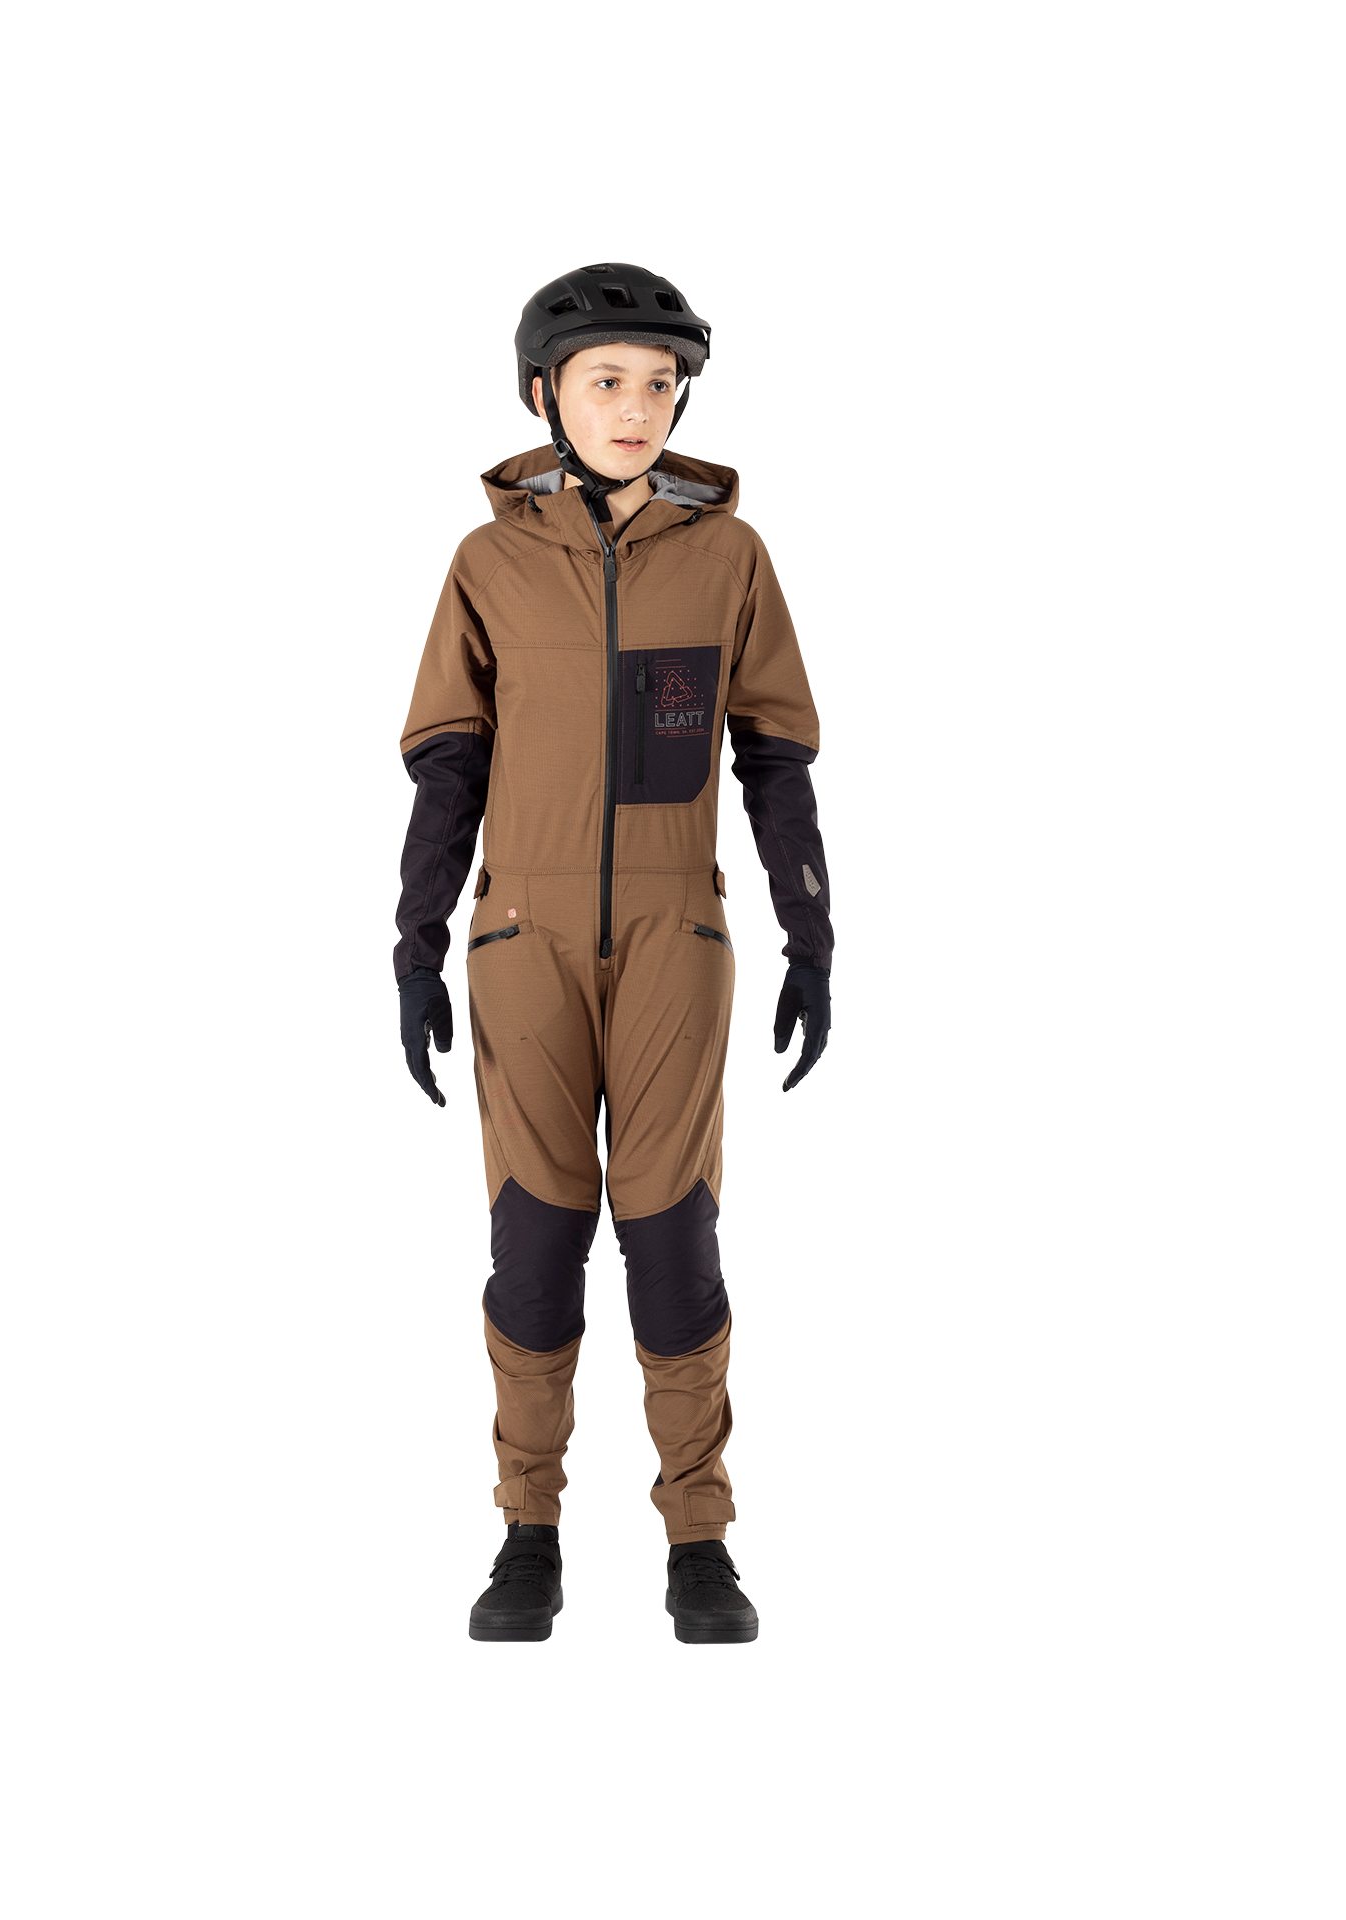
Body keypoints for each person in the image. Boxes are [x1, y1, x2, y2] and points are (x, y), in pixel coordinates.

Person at [393, 263, 834, 1644]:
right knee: (532, 1239)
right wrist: (414, 945)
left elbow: (774, 762)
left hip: (673, 938)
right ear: (545, 394)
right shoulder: (488, 565)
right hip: (520, 938)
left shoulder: (728, 557)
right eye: (606, 382)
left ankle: (699, 1535)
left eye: (659, 383)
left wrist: (812, 933)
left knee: (672, 1237)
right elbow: (448, 769)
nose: (637, 407)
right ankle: (526, 1529)